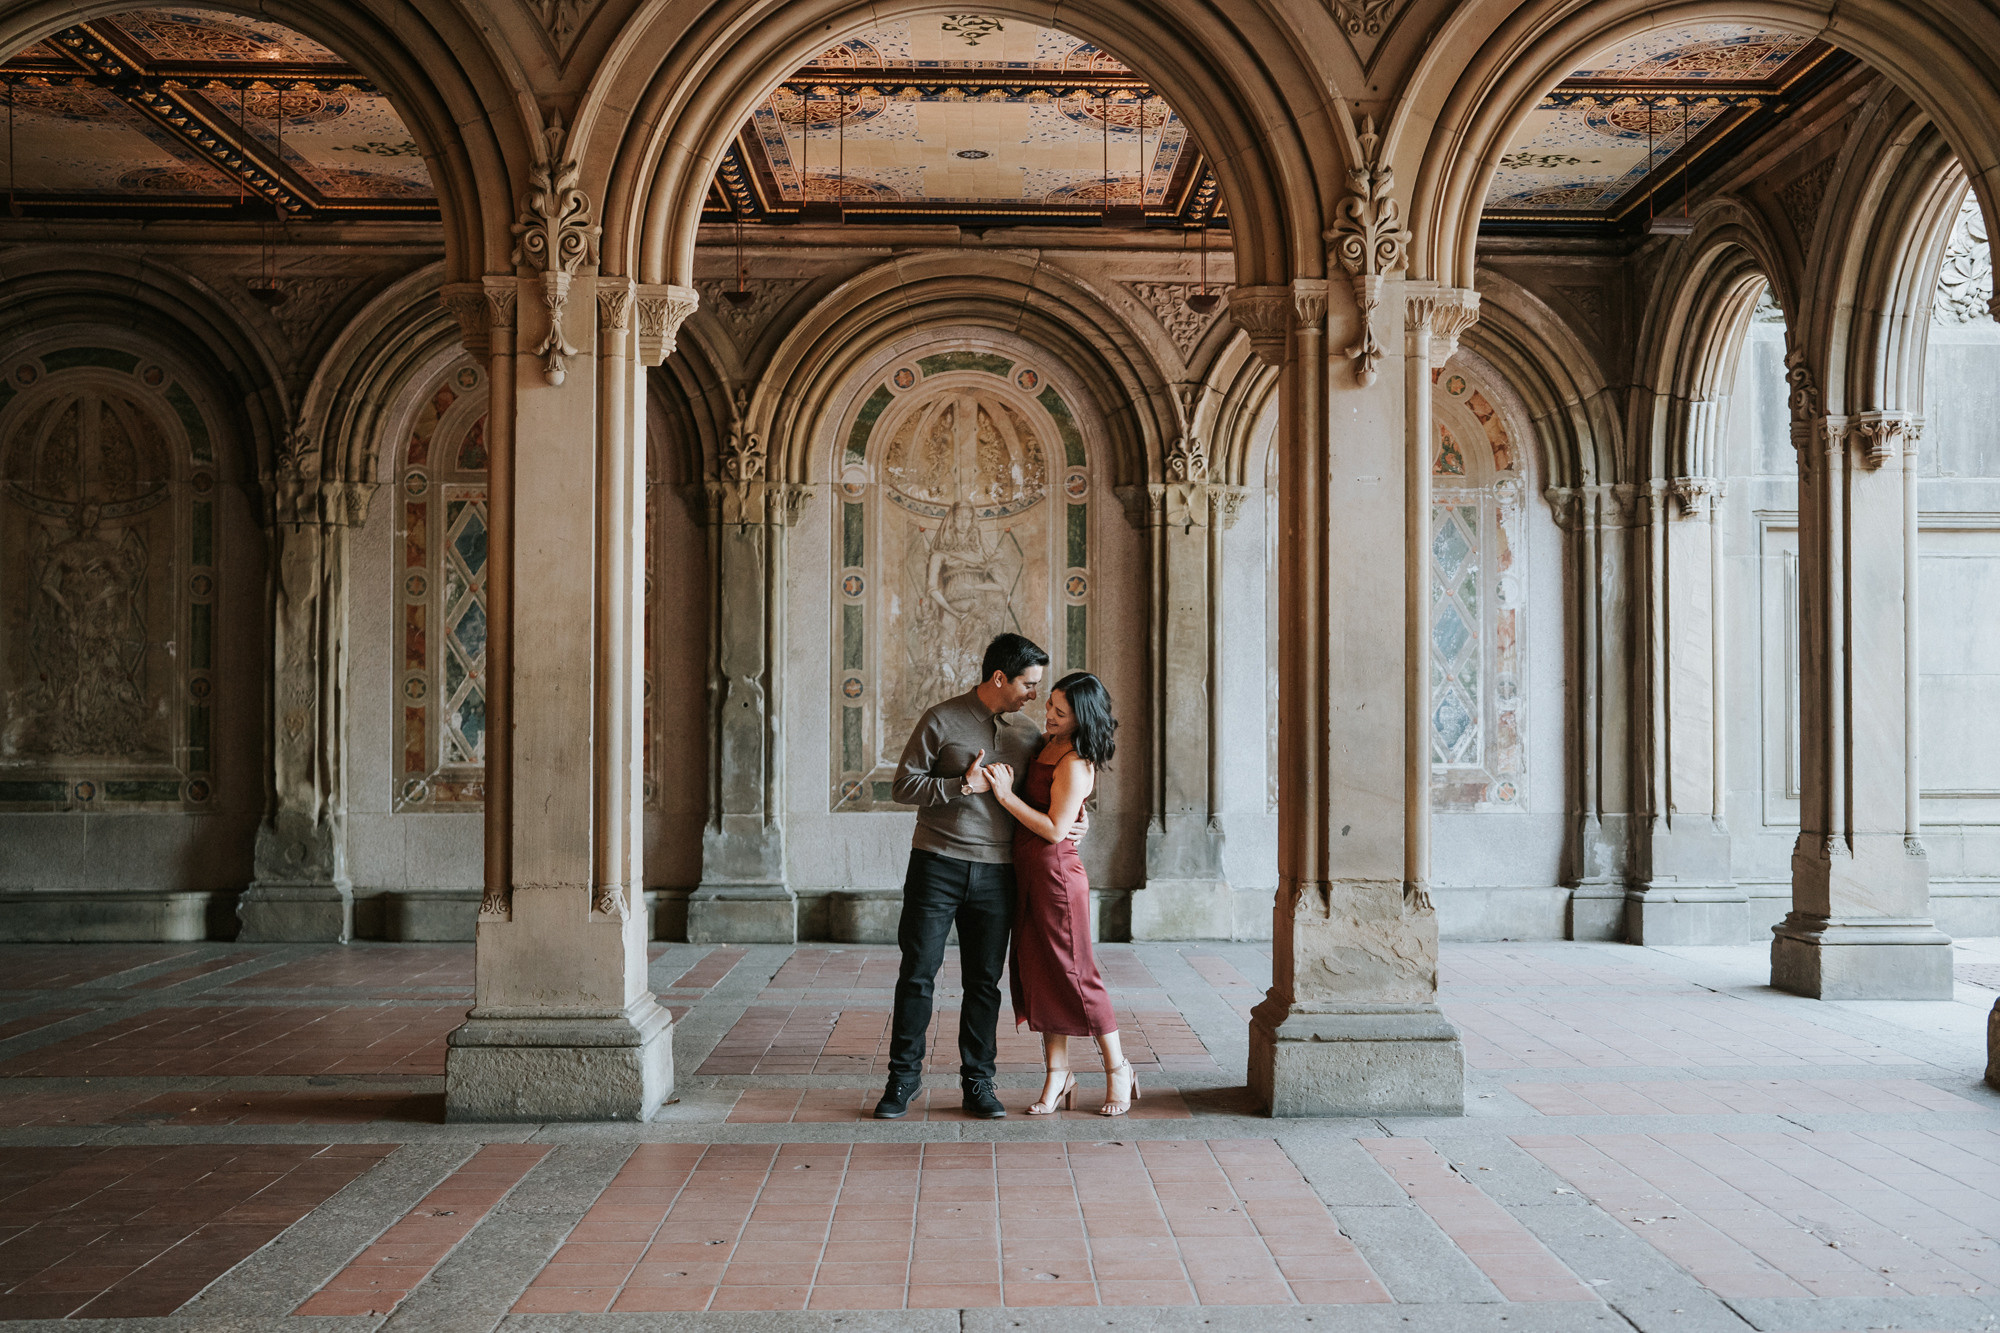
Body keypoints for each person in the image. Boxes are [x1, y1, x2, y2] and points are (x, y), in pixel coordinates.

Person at [876, 633, 1083, 1120]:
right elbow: (902, 786)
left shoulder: (1030, 733)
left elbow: (1052, 790)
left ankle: (978, 1083)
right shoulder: (941, 718)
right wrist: (960, 784)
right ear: (999, 678)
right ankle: (902, 1081)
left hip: (999, 873)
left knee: (984, 983)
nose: (1035, 693)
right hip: (936, 864)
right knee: (917, 974)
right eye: (1029, 684)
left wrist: (1078, 819)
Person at [985, 672, 1136, 1117]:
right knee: (1043, 973)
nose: (1047, 714)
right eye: (1049, 704)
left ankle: (1118, 1068)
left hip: (1057, 878)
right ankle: (1058, 1074)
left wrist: (1005, 796)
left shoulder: (1073, 760)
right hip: (1029, 874)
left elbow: (1054, 830)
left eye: (1059, 712)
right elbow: (1063, 816)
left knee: (1077, 974)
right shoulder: (1047, 745)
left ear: (1080, 718)